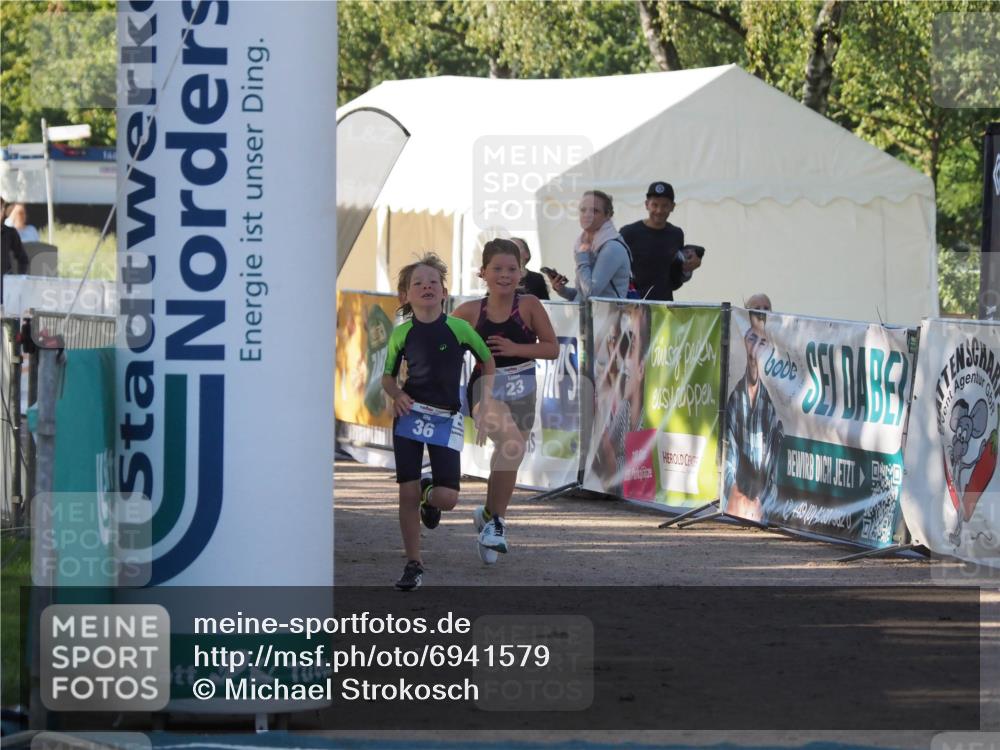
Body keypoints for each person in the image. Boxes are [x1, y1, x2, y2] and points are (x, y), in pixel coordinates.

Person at [381, 252, 496, 590]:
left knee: (448, 499)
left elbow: (487, 362)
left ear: (444, 292)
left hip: (446, 419)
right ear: (406, 295)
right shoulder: (401, 334)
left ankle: (427, 494)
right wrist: (396, 395)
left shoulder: (459, 328)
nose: (426, 287)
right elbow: (387, 377)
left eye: (433, 282)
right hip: (409, 417)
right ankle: (413, 564)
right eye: (418, 283)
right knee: (406, 490)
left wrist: (484, 401)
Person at [453, 239, 558, 563]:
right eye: (497, 269)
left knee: (510, 449)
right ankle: (497, 523)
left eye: (511, 269)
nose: (504, 275)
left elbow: (551, 348)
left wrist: (516, 348)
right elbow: (440, 349)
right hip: (486, 389)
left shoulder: (528, 305)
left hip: (523, 389)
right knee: (512, 440)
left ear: (521, 272)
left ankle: (489, 517)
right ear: (483, 272)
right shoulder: (470, 312)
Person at [723, 308, 784, 524]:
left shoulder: (772, 407)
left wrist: (761, 504)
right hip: (735, 505)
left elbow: (774, 473)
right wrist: (734, 495)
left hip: (761, 510)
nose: (754, 348)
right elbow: (727, 456)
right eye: (751, 339)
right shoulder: (735, 398)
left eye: (762, 342)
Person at [619, 181, 701, 301]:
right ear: (647, 205)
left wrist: (688, 269)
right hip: (633, 306)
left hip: (665, 307)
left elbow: (676, 278)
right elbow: (617, 271)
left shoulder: (676, 234)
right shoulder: (628, 233)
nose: (659, 210)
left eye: (665, 205)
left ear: (672, 207)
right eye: (655, 205)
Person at [551, 190, 631, 301]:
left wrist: (582, 257)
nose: (587, 215)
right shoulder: (583, 243)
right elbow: (581, 295)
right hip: (589, 317)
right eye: (583, 210)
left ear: (607, 215)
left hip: (606, 317)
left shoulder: (612, 248)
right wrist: (561, 289)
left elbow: (590, 293)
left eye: (595, 211)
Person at [0, 196, 29, 305]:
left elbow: (23, 258)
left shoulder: (10, 233)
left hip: (4, 286)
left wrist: (18, 280)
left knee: (11, 319)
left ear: (3, 211)